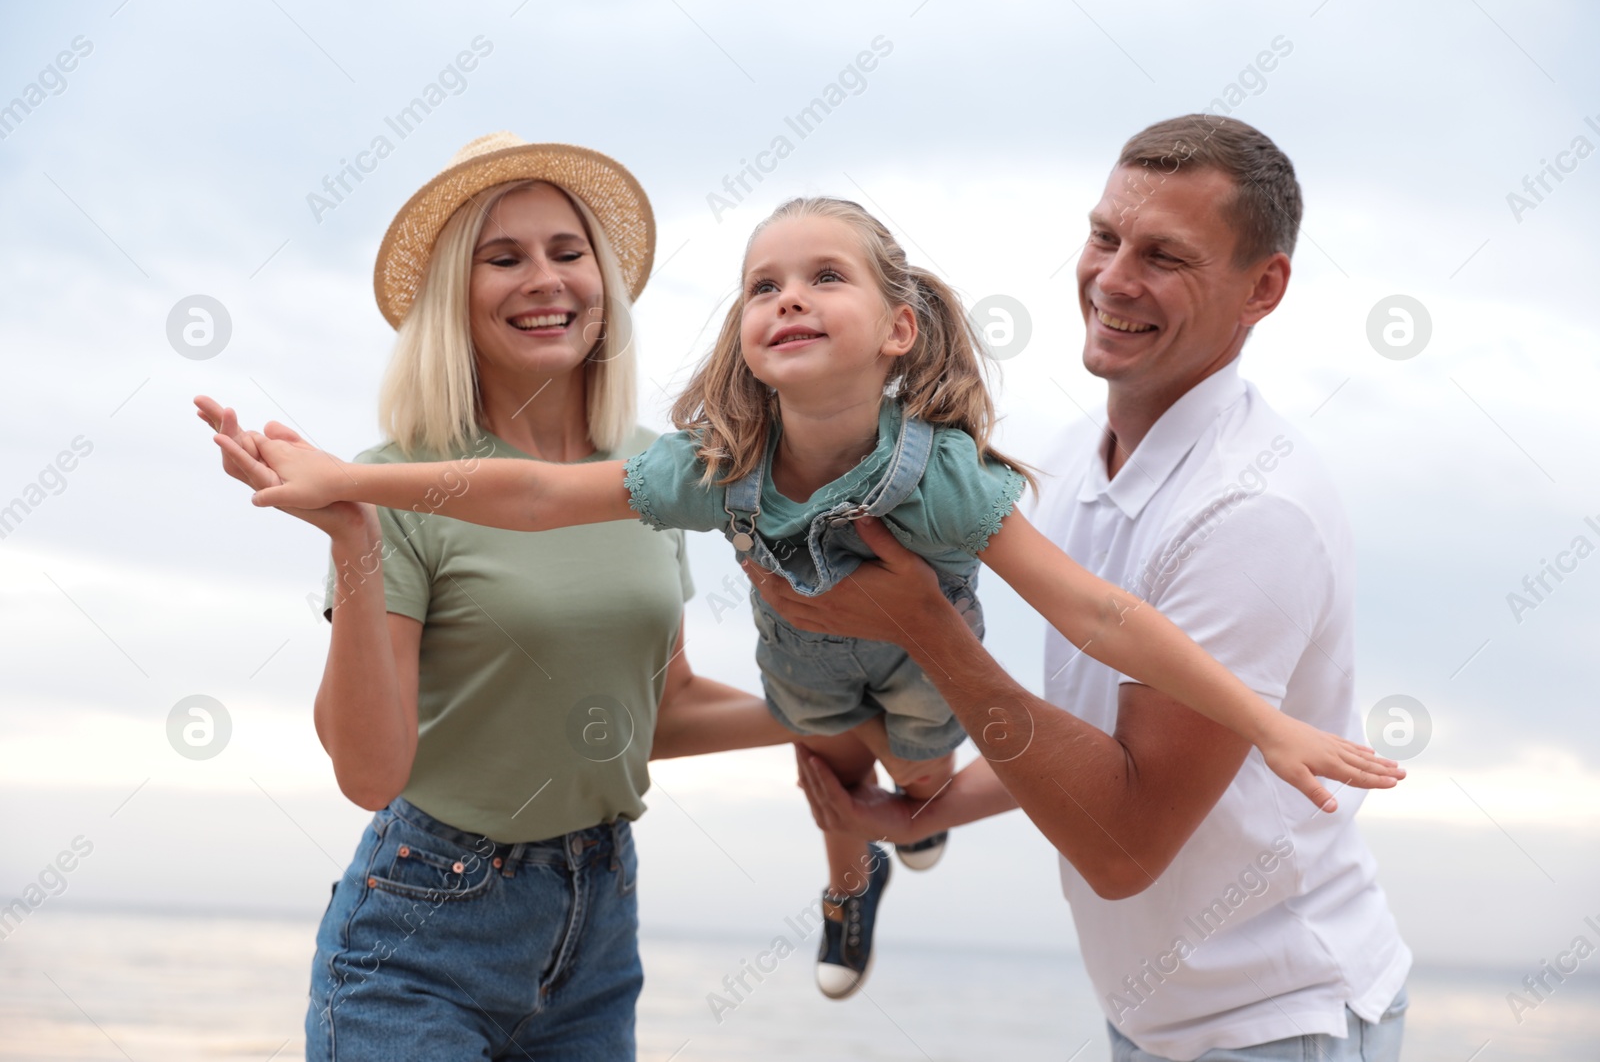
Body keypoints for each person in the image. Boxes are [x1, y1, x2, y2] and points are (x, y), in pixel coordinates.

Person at [225, 194, 1401, 1005]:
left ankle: (919, 820)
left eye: (821, 277)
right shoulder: (715, 463)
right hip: (801, 677)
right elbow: (530, 491)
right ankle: (851, 891)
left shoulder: (943, 478)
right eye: (761, 285)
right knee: (837, 786)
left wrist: (1268, 721)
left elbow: (1100, 614)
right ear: (744, 334)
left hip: (925, 674)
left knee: (920, 781)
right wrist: (346, 480)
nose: (786, 297)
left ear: (898, 329)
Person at [766, 115, 1413, 1061]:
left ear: (1262, 287)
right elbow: (1093, 752)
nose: (1112, 278)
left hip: (1277, 1018)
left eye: (1165, 255)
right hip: (1150, 1018)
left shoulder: (1252, 511)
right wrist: (917, 813)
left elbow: (1121, 843)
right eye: (1105, 235)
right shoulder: (1070, 463)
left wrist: (924, 624)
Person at [197, 132, 792, 1060]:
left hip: (599, 932)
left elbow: (661, 710)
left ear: (602, 278)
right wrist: (354, 532)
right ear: (453, 300)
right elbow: (369, 772)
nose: (544, 280)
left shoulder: (651, 472)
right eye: (502, 258)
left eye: (567, 251)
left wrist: (828, 713)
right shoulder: (393, 482)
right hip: (420, 937)